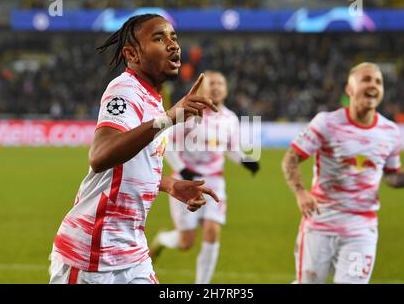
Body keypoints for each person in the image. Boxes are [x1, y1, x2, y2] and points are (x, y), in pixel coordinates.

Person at [49, 14, 221, 284]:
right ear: (132, 53)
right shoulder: (124, 90)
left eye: (173, 38)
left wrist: (169, 185)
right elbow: (100, 156)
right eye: (159, 38)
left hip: (131, 252)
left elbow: (133, 165)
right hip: (93, 256)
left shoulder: (151, 98)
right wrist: (167, 118)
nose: (173, 45)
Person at [282, 62, 404, 284]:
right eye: (366, 80)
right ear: (349, 89)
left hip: (361, 229)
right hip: (320, 223)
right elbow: (290, 159)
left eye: (378, 82)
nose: (373, 85)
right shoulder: (327, 123)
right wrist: (301, 192)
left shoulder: (390, 132)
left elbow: (390, 175)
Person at [149, 70, 260, 284]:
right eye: (212, 83)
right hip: (186, 183)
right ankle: (163, 239)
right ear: (202, 88)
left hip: (215, 181)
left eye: (221, 83)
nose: (217, 87)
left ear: (226, 89)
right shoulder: (189, 113)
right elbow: (167, 142)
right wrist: (182, 169)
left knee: (212, 231)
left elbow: (232, 148)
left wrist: (246, 161)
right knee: (186, 242)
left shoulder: (230, 119)